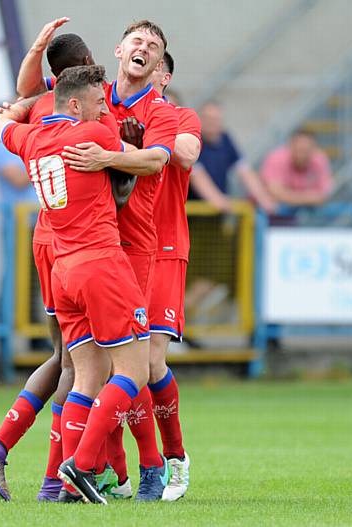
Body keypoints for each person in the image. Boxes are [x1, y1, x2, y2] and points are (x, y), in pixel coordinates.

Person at [0, 64, 152, 505]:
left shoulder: (31, 139)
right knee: (133, 370)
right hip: (100, 264)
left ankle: (60, 483)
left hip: (61, 271)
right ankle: (79, 466)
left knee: (88, 372)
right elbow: (148, 161)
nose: (105, 110)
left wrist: (17, 107)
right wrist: (127, 151)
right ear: (75, 104)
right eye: (100, 103)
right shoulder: (93, 135)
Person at [0, 25, 119, 504]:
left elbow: (12, 104)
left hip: (48, 239)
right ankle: (58, 479)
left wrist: (29, 63)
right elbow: (129, 169)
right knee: (84, 364)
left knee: (64, 359)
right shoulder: (93, 117)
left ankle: (10, 451)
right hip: (81, 245)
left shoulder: (39, 110)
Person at [60, 20, 179, 502]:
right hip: (87, 249)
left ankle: (149, 466)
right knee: (94, 368)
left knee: (132, 367)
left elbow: (156, 161)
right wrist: (14, 109)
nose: (144, 49)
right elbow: (45, 95)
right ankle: (101, 472)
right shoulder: (95, 94)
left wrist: (108, 156)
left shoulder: (161, 111)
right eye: (138, 41)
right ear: (119, 48)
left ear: (159, 66)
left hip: (133, 248)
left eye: (154, 47)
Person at [146, 51, 201, 502]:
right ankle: (124, 471)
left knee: (147, 363)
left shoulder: (181, 116)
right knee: (108, 366)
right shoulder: (114, 108)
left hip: (164, 248)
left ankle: (175, 458)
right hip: (119, 248)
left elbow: (184, 154)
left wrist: (153, 122)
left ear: (164, 75)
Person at [190, 101, 276, 212]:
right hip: (194, 210)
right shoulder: (193, 140)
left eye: (215, 119)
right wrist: (218, 200)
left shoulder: (225, 139)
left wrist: (263, 198)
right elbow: (196, 175)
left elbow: (244, 170)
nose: (211, 122)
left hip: (216, 212)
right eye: (207, 118)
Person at [260, 128, 334, 208]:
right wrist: (308, 197)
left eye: (306, 150)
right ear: (290, 146)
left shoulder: (320, 160)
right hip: (276, 208)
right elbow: (275, 192)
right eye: (300, 150)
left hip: (307, 207)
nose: (302, 155)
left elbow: (325, 192)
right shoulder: (276, 158)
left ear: (314, 149)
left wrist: (292, 196)